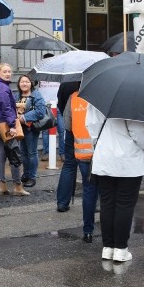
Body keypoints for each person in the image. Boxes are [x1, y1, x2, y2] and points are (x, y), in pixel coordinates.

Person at [86, 102, 144, 263]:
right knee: (124, 204)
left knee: (107, 203)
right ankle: (120, 248)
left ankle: (108, 247)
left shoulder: (97, 98)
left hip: (104, 158)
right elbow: (138, 131)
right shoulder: (135, 100)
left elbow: (91, 126)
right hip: (128, 161)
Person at [59, 87, 100, 243]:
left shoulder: (74, 97)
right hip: (103, 154)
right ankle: (109, 232)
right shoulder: (105, 95)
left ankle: (87, 231)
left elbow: (68, 125)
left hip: (83, 153)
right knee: (107, 193)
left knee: (89, 191)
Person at [0, 63, 28, 196]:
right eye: (4, 71)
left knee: (1, 155)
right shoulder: (2, 87)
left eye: (9, 71)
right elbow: (6, 107)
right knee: (15, 154)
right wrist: (12, 125)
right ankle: (17, 186)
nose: (8, 74)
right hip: (6, 126)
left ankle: (2, 185)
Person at [15, 74, 47, 188]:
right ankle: (26, 173)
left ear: (31, 83)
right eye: (22, 82)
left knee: (32, 153)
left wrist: (24, 117)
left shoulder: (36, 95)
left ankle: (32, 176)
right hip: (20, 129)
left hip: (31, 128)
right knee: (23, 152)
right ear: (19, 84)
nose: (24, 84)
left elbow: (40, 111)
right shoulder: (17, 96)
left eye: (27, 81)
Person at [55, 81, 80, 213]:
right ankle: (94, 202)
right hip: (90, 130)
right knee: (91, 168)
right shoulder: (94, 80)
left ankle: (62, 202)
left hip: (72, 126)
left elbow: (61, 104)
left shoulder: (66, 83)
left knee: (69, 165)